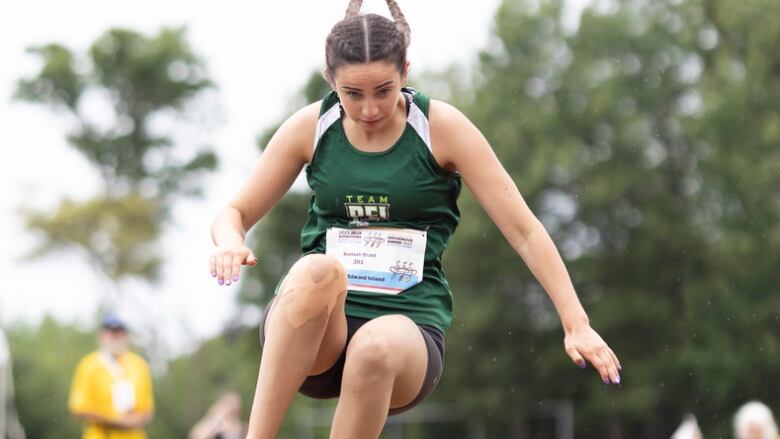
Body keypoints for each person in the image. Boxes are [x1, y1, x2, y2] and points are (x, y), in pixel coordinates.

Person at [209, 1, 622, 437]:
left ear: (405, 71)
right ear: (331, 80)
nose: (369, 109)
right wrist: (229, 241)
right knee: (318, 270)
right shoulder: (311, 127)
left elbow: (524, 230)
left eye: (383, 90)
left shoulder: (442, 128)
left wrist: (576, 323)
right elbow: (232, 213)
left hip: (405, 335)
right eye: (353, 94)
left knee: (375, 345)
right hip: (315, 336)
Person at [68, 314, 154, 439]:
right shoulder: (88, 365)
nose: (116, 337)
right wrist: (115, 421)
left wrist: (134, 420)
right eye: (112, 332)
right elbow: (79, 409)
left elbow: (148, 409)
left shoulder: (139, 365)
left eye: (120, 332)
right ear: (102, 335)